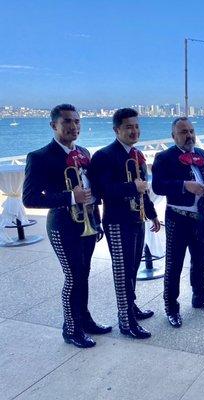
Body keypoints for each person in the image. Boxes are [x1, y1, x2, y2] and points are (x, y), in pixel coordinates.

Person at [23, 104, 111, 348]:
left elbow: (92, 190)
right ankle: (70, 329)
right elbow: (30, 198)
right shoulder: (39, 157)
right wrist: (71, 197)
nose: (74, 126)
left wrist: (97, 219)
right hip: (62, 225)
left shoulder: (83, 152)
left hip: (88, 223)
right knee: (73, 277)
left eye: (77, 121)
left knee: (83, 274)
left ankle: (85, 319)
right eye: (67, 122)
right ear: (54, 125)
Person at [89, 108, 160, 338]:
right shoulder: (104, 155)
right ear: (116, 129)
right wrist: (132, 187)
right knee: (122, 270)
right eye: (129, 126)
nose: (134, 130)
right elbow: (100, 191)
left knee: (132, 267)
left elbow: (143, 190)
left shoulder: (137, 155)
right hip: (117, 222)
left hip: (136, 219)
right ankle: (125, 320)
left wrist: (152, 214)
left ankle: (132, 307)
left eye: (137, 126)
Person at [152, 117, 204, 328]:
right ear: (174, 136)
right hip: (178, 218)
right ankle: (171, 307)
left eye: (191, 131)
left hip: (203, 217)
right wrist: (184, 185)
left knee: (200, 261)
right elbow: (158, 186)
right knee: (174, 265)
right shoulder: (164, 157)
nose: (189, 135)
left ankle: (199, 297)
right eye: (183, 132)